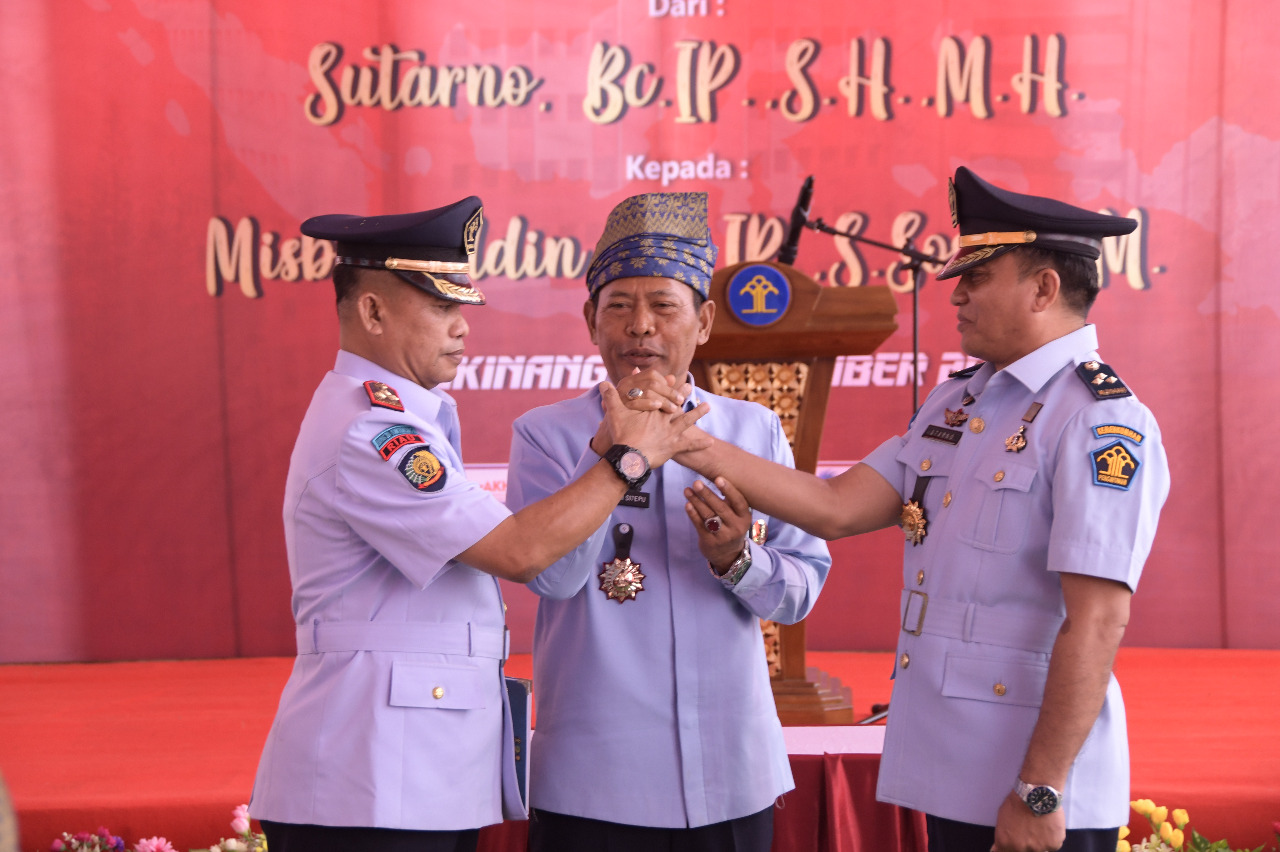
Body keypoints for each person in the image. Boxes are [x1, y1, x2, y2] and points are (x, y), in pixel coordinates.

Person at [677, 167, 1170, 852]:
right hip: (953, 772)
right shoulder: (959, 402)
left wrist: (1040, 788)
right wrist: (686, 442)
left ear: (1044, 288)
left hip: (1038, 789)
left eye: (978, 277)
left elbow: (1098, 621)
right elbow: (832, 506)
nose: (957, 295)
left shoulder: (1100, 422)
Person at [249, 196, 707, 852]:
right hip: (371, 782)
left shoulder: (399, 420)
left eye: (462, 305)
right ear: (373, 310)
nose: (462, 327)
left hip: (407, 776)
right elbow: (521, 552)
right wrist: (630, 456)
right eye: (441, 307)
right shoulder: (372, 432)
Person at [504, 191, 832, 852]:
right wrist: (612, 456)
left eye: (664, 306)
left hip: (730, 777)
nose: (641, 328)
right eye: (619, 306)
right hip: (594, 782)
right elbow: (552, 578)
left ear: (704, 322)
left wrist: (737, 559)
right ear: (591, 320)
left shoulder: (752, 430)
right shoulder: (545, 435)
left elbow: (800, 592)